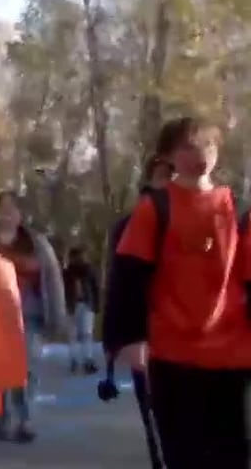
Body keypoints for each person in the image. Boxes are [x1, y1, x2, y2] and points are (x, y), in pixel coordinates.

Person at [105, 117, 251, 468]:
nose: (200, 153)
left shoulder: (237, 208)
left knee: (233, 453)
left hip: (232, 352)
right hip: (173, 353)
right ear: (168, 155)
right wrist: (130, 337)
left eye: (208, 145)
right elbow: (128, 275)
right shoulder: (155, 208)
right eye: (188, 146)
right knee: (184, 453)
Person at [98, 155, 172, 469]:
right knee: (156, 413)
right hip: (146, 332)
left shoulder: (202, 219)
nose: (168, 183)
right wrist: (115, 341)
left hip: (194, 334)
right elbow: (117, 283)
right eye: (161, 176)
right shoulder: (129, 225)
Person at [0, 191, 67, 444]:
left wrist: (57, 316)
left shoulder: (35, 242)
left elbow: (52, 281)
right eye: (3, 208)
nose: (7, 213)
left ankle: (25, 419)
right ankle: (2, 417)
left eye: (13, 208)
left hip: (27, 315)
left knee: (26, 368)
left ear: (20, 215)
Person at [62, 247, 100, 374]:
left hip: (86, 303)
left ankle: (87, 360)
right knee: (74, 334)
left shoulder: (89, 270)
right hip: (72, 304)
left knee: (86, 333)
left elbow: (95, 288)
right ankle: (74, 360)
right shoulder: (67, 273)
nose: (80, 259)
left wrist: (96, 305)